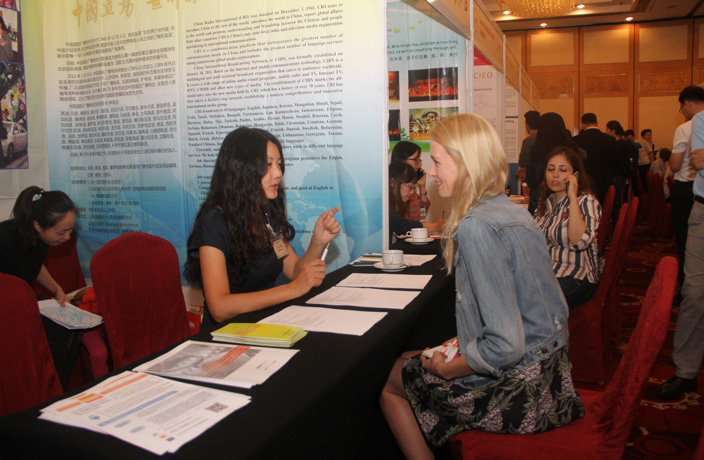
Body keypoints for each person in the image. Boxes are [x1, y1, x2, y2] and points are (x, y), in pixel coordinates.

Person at [380, 113, 584, 460]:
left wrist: (449, 367)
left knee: (389, 381)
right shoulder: (513, 211)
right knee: (407, 359)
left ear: (465, 163)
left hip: (521, 392)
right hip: (554, 377)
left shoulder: (476, 226)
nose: (430, 172)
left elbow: (504, 346)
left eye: (438, 162)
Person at [184, 127, 341, 330]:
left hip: (265, 326)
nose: (278, 173)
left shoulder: (267, 217)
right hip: (227, 336)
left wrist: (318, 241)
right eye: (268, 165)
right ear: (241, 170)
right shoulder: (214, 223)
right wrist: (292, 290)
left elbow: (294, 270)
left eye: (279, 164)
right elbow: (219, 307)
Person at [0, 185, 83, 384]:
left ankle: (53, 384)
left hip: (21, 300)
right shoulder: (5, 238)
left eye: (71, 230)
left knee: (68, 327)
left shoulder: (41, 238)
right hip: (6, 305)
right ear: (38, 226)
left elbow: (34, 265)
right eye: (61, 232)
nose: (67, 238)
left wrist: (56, 289)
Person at [657, 108, 704, 400]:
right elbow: (699, 162)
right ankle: (685, 371)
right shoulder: (700, 121)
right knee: (694, 293)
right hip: (702, 209)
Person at [534, 146, 602, 309]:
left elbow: (579, 242)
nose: (555, 175)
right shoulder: (547, 202)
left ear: (575, 175)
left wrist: (572, 196)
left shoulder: (586, 201)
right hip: (549, 273)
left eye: (563, 170)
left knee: (531, 304)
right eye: (551, 169)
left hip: (577, 277)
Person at [670, 85, 704, 288]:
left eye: (681, 107)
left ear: (688, 102)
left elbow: (675, 165)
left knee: (686, 243)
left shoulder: (686, 127)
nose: (683, 111)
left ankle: (686, 288)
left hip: (686, 191)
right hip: (697, 190)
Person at [525, 112, 580, 214]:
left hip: (539, 201)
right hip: (567, 199)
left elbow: (530, 179)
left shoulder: (536, 150)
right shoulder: (571, 148)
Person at [388, 161, 444, 242]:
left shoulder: (396, 205)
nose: (412, 192)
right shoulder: (381, 206)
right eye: (410, 187)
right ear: (393, 183)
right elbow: (401, 225)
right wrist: (435, 226)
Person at [573, 113, 619, 204]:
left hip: (584, 182)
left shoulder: (576, 140)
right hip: (604, 181)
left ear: (583, 124)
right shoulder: (609, 139)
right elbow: (614, 161)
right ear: (596, 123)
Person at [606, 120, 638, 215]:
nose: (606, 132)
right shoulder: (620, 143)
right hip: (619, 175)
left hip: (618, 175)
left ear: (613, 131)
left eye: (607, 129)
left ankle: (617, 223)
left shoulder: (620, 144)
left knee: (617, 201)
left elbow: (620, 161)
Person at [391, 141, 430, 220]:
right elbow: (403, 223)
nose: (419, 164)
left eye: (419, 160)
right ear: (402, 160)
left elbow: (423, 211)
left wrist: (422, 186)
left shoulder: (410, 187)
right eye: (416, 160)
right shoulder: (397, 186)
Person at [516, 110, 540, 182]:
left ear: (527, 125)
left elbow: (522, 163)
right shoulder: (545, 139)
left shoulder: (527, 141)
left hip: (532, 179)